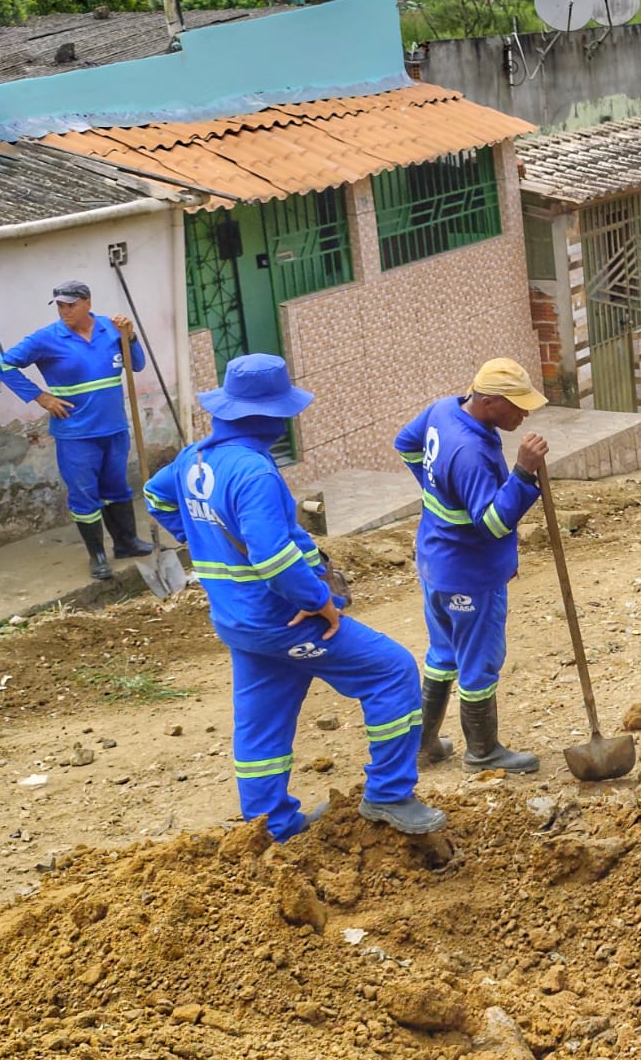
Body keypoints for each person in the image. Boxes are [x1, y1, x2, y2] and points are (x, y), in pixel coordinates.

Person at [145, 354, 445, 839]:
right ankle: (389, 794)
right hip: (283, 617)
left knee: (261, 723)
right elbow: (272, 558)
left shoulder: (194, 458)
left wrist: (201, 541)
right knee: (392, 671)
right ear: (267, 417)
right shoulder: (255, 474)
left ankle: (270, 825)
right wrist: (317, 600)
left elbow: (155, 496)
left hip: (238, 621)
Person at [395, 359, 550, 774]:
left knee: (443, 652)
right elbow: (492, 523)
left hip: (436, 562)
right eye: (516, 406)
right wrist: (523, 473)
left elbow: (405, 444)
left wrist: (439, 493)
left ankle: (423, 744)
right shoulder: (471, 453)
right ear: (488, 401)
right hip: (468, 572)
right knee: (479, 659)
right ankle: (482, 751)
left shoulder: (443, 409)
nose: (524, 413)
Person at [0, 281, 152, 579]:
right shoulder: (47, 339)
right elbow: (4, 367)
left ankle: (126, 543)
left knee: (117, 488)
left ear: (87, 302)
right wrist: (41, 396)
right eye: (60, 305)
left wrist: (132, 336)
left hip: (114, 428)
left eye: (70, 305)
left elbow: (136, 365)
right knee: (84, 494)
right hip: (76, 434)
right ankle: (97, 556)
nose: (64, 311)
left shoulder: (110, 328)